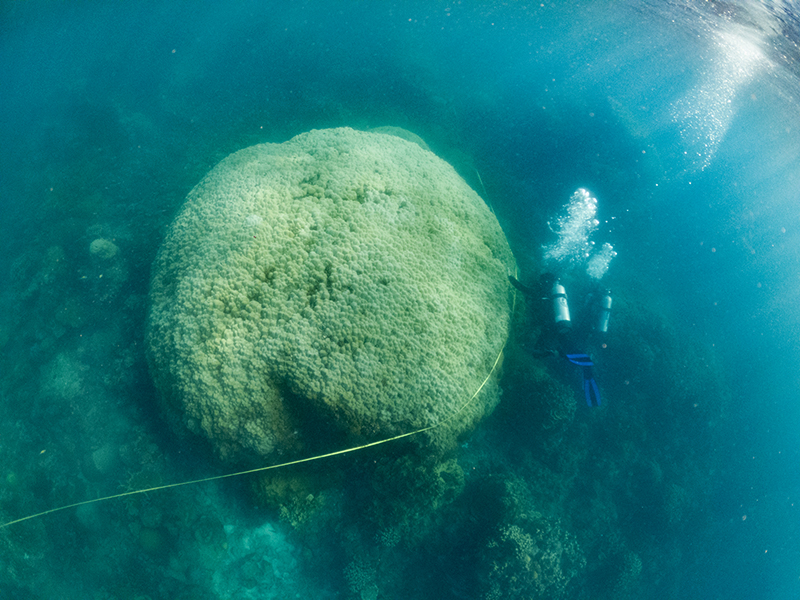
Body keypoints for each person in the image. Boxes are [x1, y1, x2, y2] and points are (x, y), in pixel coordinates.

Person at [508, 273, 611, 407]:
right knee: (564, 351)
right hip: (561, 329)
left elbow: (526, 289)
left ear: (546, 281)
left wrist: (511, 279)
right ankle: (563, 355)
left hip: (554, 329)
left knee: (567, 354)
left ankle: (558, 354)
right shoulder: (560, 293)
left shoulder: (548, 290)